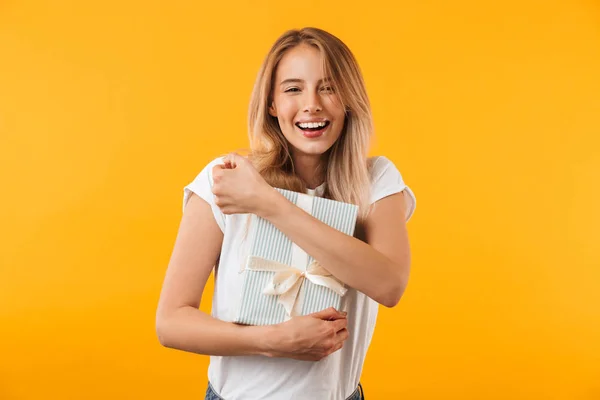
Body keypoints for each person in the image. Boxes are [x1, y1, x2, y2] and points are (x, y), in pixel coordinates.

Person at [155, 27, 417, 400]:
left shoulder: (376, 180)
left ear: (348, 100)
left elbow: (389, 285)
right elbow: (171, 322)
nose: (312, 104)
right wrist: (272, 341)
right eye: (293, 89)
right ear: (272, 104)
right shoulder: (228, 179)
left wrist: (269, 204)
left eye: (328, 87)